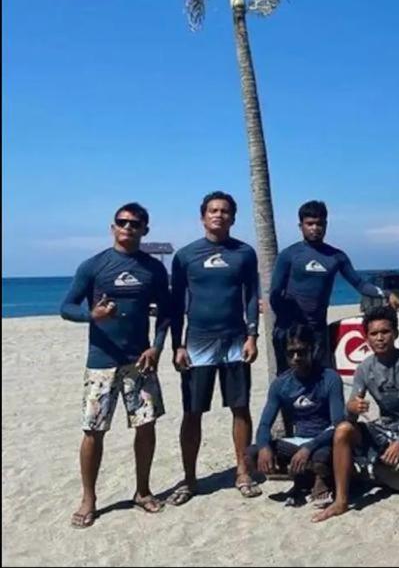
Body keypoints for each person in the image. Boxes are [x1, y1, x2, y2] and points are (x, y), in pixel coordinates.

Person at [60, 202, 172, 528]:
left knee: (146, 427)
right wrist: (90, 316)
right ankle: (89, 498)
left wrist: (157, 347)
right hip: (101, 362)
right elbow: (66, 306)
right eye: (122, 222)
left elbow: (166, 313)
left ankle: (142, 491)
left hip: (139, 362)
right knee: (93, 431)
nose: (127, 227)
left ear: (144, 230)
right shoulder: (93, 266)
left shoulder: (153, 268)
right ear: (112, 227)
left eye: (134, 224)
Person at [313, 306, 399, 535]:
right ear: (367, 337)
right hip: (386, 426)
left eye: (385, 332)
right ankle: (341, 500)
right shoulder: (365, 368)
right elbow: (352, 416)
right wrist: (351, 407)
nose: (380, 338)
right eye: (374, 334)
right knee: (343, 430)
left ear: (395, 333)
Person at [168, 190, 262, 505]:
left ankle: (243, 472)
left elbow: (251, 295)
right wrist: (177, 345)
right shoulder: (185, 256)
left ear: (233, 218)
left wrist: (253, 335)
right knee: (192, 412)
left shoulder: (245, 253)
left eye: (224, 211)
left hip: (235, 339)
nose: (218, 215)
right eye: (212, 210)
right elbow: (176, 303)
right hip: (197, 341)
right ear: (202, 216)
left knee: (240, 407)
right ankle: (190, 478)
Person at [270, 200, 399, 375]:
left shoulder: (336, 257)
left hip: (318, 331)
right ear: (301, 226)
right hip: (290, 332)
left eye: (319, 223)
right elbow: (275, 293)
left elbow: (359, 284)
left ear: (326, 225)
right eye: (310, 224)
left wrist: (387, 294)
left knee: (323, 380)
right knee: (288, 383)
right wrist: (286, 323)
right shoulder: (289, 255)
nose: (315, 228)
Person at [244, 323, 345, 508]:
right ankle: (307, 478)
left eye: (301, 352)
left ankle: (313, 480)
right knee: (251, 454)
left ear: (312, 349)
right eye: (291, 353)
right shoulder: (281, 384)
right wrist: (264, 446)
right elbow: (265, 424)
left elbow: (338, 424)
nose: (296, 358)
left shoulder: (330, 378)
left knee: (321, 457)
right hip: (298, 441)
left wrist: (309, 447)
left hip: (323, 441)